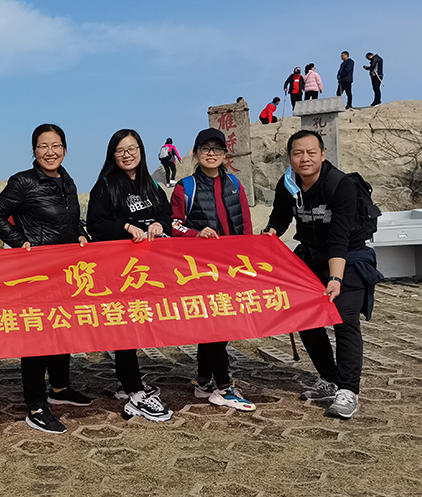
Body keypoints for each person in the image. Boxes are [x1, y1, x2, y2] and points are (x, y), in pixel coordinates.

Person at [263, 130, 382, 419]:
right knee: (306, 318)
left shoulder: (340, 185)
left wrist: (335, 279)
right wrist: (270, 233)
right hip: (310, 255)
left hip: (349, 256)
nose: (304, 159)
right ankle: (330, 379)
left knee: (344, 319)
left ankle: (348, 390)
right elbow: (280, 217)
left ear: (323, 154)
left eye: (311, 152)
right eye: (297, 153)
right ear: (290, 157)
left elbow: (339, 237)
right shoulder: (288, 184)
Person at [0, 123, 93, 434]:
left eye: (56, 145)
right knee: (38, 337)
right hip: (36, 274)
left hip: (66, 271)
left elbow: (72, 218)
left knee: (62, 328)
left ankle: (60, 388)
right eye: (43, 146)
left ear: (64, 149)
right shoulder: (23, 182)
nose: (50, 152)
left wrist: (81, 233)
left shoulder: (67, 180)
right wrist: (20, 242)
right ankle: (35, 405)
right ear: (34, 150)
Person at [85, 130, 175, 422]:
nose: (127, 155)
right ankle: (135, 393)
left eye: (132, 148)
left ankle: (128, 382)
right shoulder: (105, 186)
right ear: (112, 155)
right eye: (120, 150)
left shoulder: (152, 184)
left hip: (149, 269)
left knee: (138, 325)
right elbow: (95, 224)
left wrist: (160, 225)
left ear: (141, 151)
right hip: (120, 270)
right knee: (126, 327)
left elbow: (167, 215)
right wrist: (124, 227)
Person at [170, 129, 256, 412]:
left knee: (217, 326)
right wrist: (195, 234)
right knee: (216, 325)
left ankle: (204, 381)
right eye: (205, 148)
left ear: (224, 154)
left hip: (232, 267)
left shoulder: (234, 184)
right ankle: (223, 387)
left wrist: (250, 260)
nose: (211, 153)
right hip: (201, 270)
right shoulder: (186, 187)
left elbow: (245, 224)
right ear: (196, 153)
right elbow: (173, 224)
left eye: (217, 148)